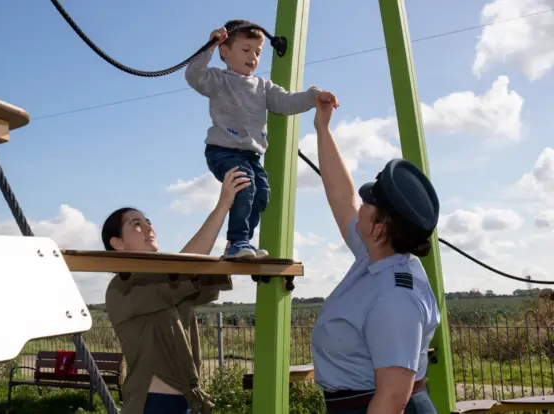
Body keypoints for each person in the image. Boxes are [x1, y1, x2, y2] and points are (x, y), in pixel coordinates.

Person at [309, 97, 441, 414]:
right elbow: (341, 195)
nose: (360, 206)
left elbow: (393, 397)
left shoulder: (395, 297)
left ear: (380, 228)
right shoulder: (377, 257)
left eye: (369, 203)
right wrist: (322, 128)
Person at [185, 19, 338, 260]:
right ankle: (237, 241)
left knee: (261, 193)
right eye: (245, 50)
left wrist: (314, 96)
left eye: (257, 52)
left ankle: (240, 242)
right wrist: (209, 46)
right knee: (245, 186)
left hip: (251, 155)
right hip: (223, 150)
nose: (253, 57)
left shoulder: (262, 86)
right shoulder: (218, 80)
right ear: (225, 52)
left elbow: (287, 102)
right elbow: (194, 75)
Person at [102, 167, 251, 414]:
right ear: (117, 243)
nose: (148, 227)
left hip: (186, 403)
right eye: (136, 224)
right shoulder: (123, 287)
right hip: (154, 404)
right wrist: (223, 206)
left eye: (148, 222)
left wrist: (233, 255)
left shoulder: (163, 281)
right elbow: (187, 267)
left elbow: (198, 278)